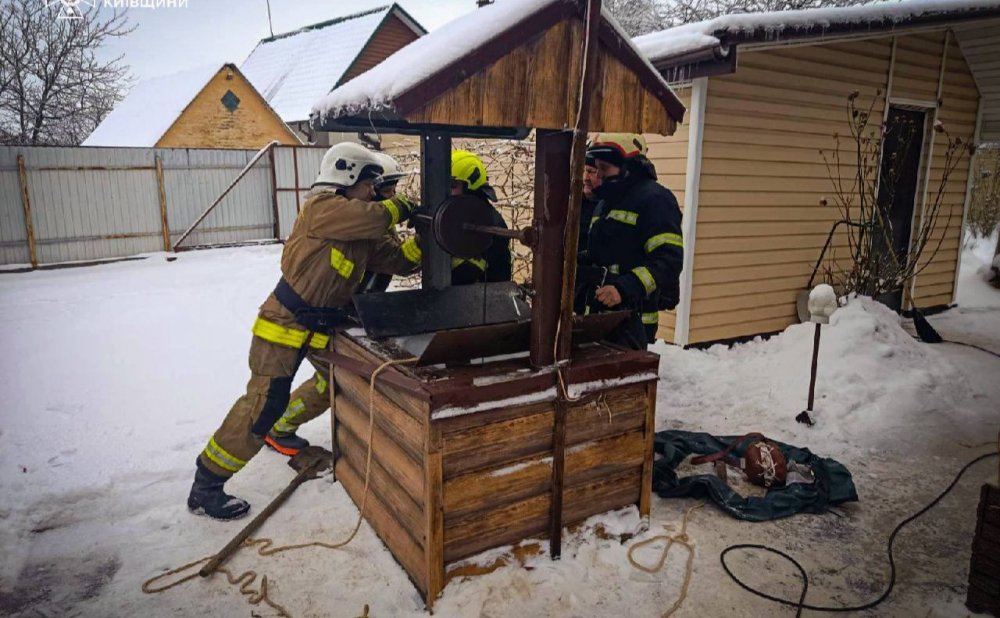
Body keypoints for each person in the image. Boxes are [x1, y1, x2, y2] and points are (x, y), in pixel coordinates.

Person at [187, 142, 423, 520]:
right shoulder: (323, 209)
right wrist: (406, 207)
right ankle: (206, 484)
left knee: (339, 384)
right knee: (262, 404)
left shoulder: (358, 229)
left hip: (320, 327)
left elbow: (399, 260)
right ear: (348, 178)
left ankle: (282, 428)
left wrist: (427, 236)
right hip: (284, 323)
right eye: (370, 184)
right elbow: (377, 218)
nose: (375, 191)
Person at [575, 133, 683, 349]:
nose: (599, 175)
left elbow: (668, 261)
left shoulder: (655, 200)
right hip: (600, 316)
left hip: (634, 321)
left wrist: (623, 288)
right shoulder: (605, 203)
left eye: (604, 168)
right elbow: (602, 255)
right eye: (597, 167)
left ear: (627, 166)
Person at [449, 150, 512, 285]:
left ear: (469, 186)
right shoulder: (460, 213)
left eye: (453, 186)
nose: (448, 192)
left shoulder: (489, 222)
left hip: (479, 300)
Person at [356, 152, 414, 295]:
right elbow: (398, 261)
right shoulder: (365, 227)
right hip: (354, 303)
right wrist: (423, 240)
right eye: (387, 191)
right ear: (371, 193)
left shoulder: (381, 225)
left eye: (394, 190)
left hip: (366, 300)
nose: (394, 197)